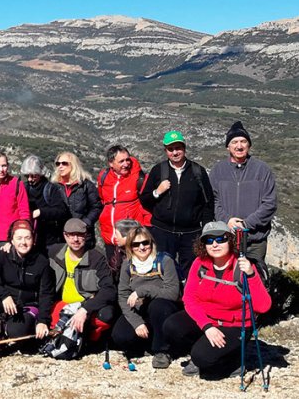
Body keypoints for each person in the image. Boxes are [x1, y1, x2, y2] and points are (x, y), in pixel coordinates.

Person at [164, 221, 271, 378]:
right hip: (208, 320)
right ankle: (203, 350)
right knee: (171, 327)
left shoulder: (242, 267)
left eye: (221, 239)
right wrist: (207, 327)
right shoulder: (200, 263)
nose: (215, 244)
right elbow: (189, 298)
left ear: (231, 241)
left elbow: (263, 306)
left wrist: (251, 274)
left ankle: (233, 360)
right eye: (209, 240)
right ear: (203, 245)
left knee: (203, 359)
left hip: (234, 325)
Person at [139, 131, 214, 275]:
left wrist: (205, 229)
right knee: (163, 271)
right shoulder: (158, 170)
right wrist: (158, 192)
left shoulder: (198, 171)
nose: (175, 152)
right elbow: (145, 200)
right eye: (170, 149)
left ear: (184, 148)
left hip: (191, 233)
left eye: (178, 148)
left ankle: (187, 297)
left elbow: (208, 203)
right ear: (165, 151)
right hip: (163, 232)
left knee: (191, 272)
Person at [110, 226, 180, 369]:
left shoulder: (164, 261)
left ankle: (162, 351)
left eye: (145, 243)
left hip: (162, 308)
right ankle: (146, 345)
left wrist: (142, 291)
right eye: (136, 244)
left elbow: (172, 292)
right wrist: (137, 323)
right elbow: (123, 296)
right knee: (120, 336)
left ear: (151, 243)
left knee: (157, 307)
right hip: (139, 310)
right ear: (130, 247)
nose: (142, 247)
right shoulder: (127, 265)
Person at [210, 121, 277, 264]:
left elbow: (270, 204)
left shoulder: (262, 170)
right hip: (227, 239)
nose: (239, 146)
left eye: (243, 141)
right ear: (228, 146)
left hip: (255, 241)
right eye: (234, 142)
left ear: (249, 145)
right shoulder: (218, 170)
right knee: (229, 281)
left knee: (256, 279)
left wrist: (246, 224)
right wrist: (227, 220)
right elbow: (213, 201)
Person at [0, 220, 54, 341]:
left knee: (16, 334)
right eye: (19, 238)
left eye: (27, 238)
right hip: (9, 301)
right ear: (12, 240)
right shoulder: (3, 255)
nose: (23, 242)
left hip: (29, 305)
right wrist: (4, 295)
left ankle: (17, 327)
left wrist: (43, 321)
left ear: (33, 240)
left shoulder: (42, 262)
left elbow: (46, 294)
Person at [48, 218, 116, 345]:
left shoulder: (96, 257)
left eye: (80, 235)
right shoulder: (54, 253)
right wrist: (8, 247)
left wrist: (85, 309)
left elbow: (109, 289)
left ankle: (91, 336)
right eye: (71, 235)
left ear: (86, 236)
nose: (75, 239)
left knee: (107, 315)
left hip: (87, 306)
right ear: (64, 235)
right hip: (62, 304)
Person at [97, 145, 151, 261]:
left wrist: (144, 234)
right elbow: (102, 200)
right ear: (111, 163)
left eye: (127, 159)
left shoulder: (139, 178)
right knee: (114, 274)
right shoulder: (103, 177)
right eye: (121, 161)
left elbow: (148, 206)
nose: (126, 164)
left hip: (132, 240)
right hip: (110, 239)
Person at [50, 151, 101, 249]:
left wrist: (85, 223)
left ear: (73, 165)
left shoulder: (85, 185)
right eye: (58, 164)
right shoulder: (53, 186)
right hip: (60, 236)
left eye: (64, 163)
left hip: (82, 236)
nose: (60, 166)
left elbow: (96, 207)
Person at [20, 155, 70, 251]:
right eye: (27, 176)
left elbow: (62, 211)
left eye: (33, 176)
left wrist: (41, 212)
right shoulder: (24, 188)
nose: (30, 179)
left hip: (49, 239)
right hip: (29, 238)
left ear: (40, 174)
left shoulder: (51, 189)